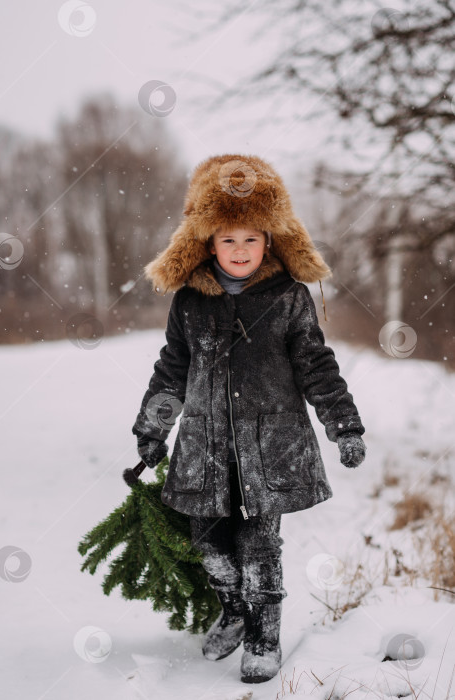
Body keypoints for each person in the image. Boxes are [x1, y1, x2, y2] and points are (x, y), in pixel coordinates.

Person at [131, 154, 366, 684]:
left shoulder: (288, 299)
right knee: (208, 540)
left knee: (259, 544)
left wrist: (344, 423)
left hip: (271, 446)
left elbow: (316, 366)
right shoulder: (191, 302)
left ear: (270, 242)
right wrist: (152, 427)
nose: (240, 251)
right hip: (206, 446)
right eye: (228, 240)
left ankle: (265, 634)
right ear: (209, 243)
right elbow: (172, 369)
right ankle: (235, 610)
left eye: (251, 240)